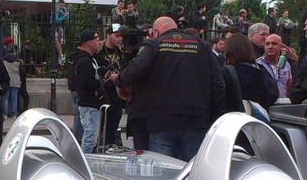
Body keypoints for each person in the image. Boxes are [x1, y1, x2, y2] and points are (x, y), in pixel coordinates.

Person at [116, 16, 226, 162]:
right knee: (192, 173)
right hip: (195, 119)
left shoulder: (154, 44)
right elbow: (218, 84)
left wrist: (119, 81)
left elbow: (134, 71)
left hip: (161, 120)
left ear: (156, 30)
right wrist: (215, 117)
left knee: (163, 174)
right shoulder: (201, 45)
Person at [72, 29, 105, 154]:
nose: (99, 43)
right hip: (88, 103)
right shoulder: (85, 61)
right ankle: (85, 160)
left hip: (91, 103)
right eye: (97, 40)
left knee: (92, 135)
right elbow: (86, 83)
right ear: (90, 42)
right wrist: (101, 83)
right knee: (90, 136)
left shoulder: (89, 59)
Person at [221, 34, 270, 114]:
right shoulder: (260, 72)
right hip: (253, 120)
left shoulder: (225, 73)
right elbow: (265, 102)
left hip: (232, 118)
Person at [95, 23, 124, 147]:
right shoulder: (98, 51)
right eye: (117, 35)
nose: (120, 39)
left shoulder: (122, 52)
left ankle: (110, 145)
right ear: (108, 35)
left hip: (116, 93)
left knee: (113, 124)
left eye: (121, 36)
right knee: (99, 125)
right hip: (102, 93)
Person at [256, 34, 292, 100]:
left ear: (281, 46)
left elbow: (289, 86)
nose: (270, 46)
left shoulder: (286, 64)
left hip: (283, 104)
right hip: (266, 104)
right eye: (267, 44)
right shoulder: (258, 64)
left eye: (274, 44)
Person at [2, 38, 20, 118]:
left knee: (5, 98)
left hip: (6, 80)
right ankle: (14, 114)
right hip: (15, 81)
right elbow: (22, 72)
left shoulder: (4, 61)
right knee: (14, 99)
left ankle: (5, 114)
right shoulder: (18, 62)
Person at [55, 0, 69, 66]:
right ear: (58, 4)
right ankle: (60, 55)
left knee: (62, 42)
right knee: (56, 39)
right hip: (55, 27)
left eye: (63, 5)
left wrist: (63, 13)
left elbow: (67, 18)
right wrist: (65, 16)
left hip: (61, 27)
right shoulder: (55, 9)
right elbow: (57, 20)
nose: (62, 7)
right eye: (60, 5)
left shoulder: (64, 9)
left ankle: (60, 58)